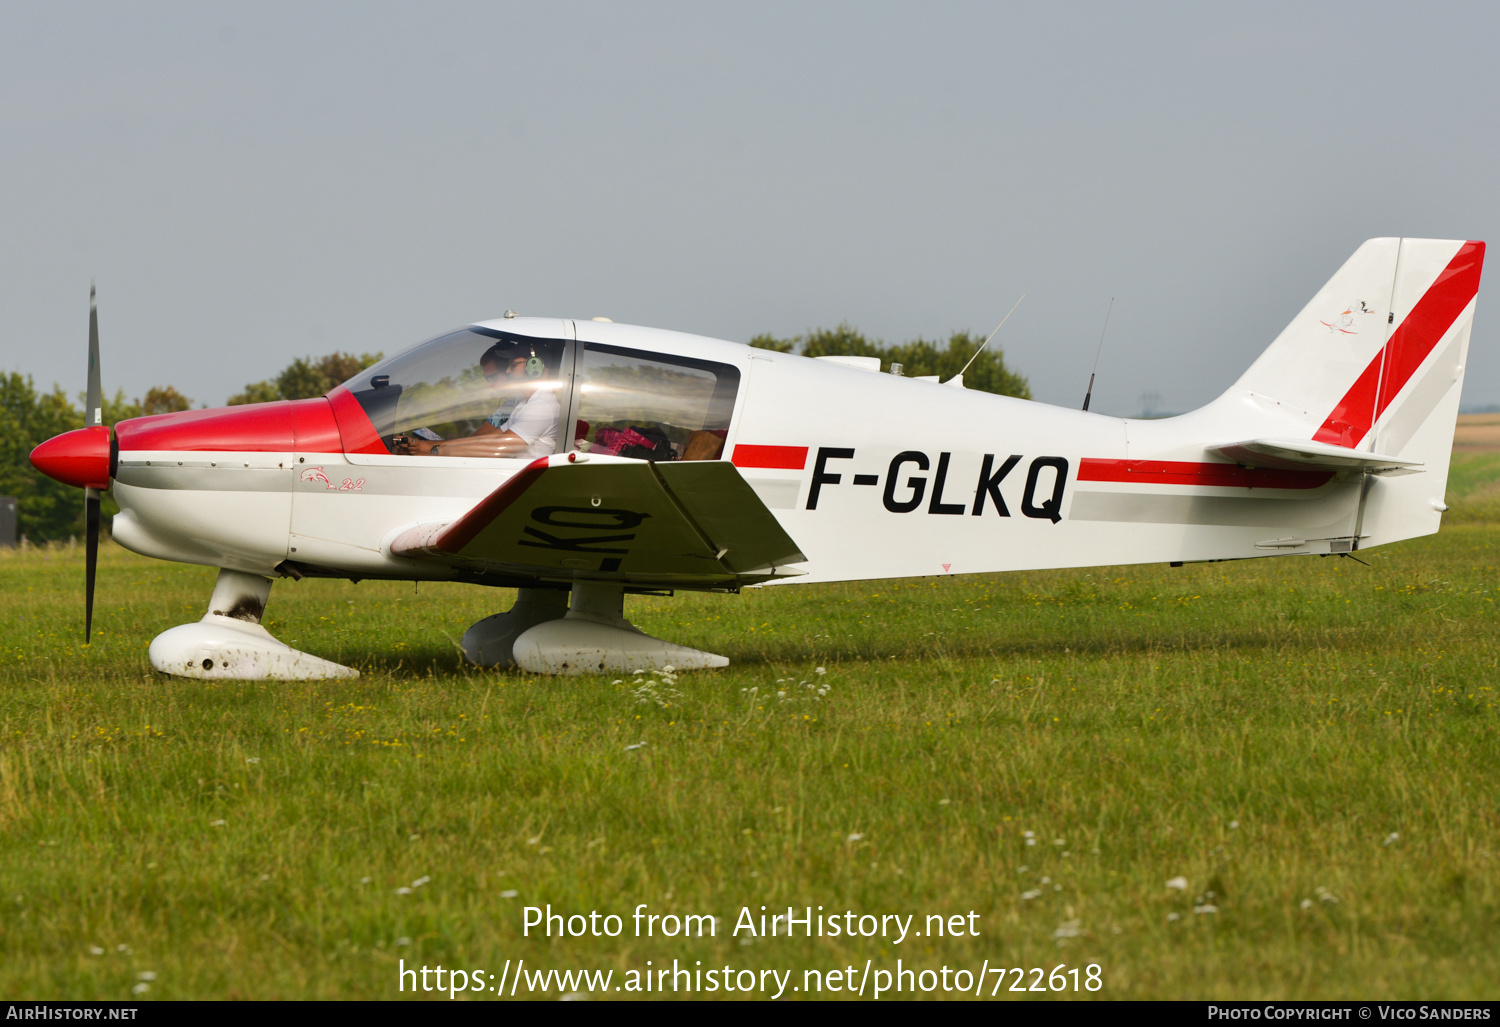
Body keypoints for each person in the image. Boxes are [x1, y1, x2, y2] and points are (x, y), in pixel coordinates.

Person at [402, 340, 560, 459]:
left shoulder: (541, 406)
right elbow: (485, 440)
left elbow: (495, 449)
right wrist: (423, 446)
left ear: (535, 367)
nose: (508, 370)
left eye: (513, 365)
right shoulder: (524, 404)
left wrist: (433, 451)